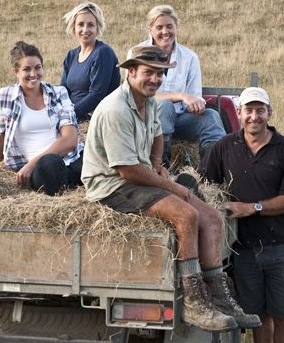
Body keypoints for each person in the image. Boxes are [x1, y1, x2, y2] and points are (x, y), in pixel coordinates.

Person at [81, 45, 261, 333]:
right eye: (148, 73)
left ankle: (220, 300)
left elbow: (157, 135)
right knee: (186, 215)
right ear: (131, 72)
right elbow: (127, 170)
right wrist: (172, 186)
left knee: (212, 219)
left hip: (138, 177)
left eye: (160, 74)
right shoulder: (115, 108)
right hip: (111, 185)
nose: (155, 79)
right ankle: (194, 303)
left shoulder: (149, 101)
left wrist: (156, 163)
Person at [199, 87, 284, 343]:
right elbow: (203, 185)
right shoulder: (224, 146)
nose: (254, 117)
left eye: (260, 110)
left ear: (270, 114)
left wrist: (252, 207)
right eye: (248, 110)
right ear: (239, 113)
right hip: (244, 249)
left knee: (283, 317)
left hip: (281, 247)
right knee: (258, 317)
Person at [129, 5, 226, 167]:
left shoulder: (189, 57)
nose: (165, 32)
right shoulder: (137, 53)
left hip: (178, 122)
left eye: (169, 26)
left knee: (211, 117)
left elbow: (193, 98)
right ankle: (162, 166)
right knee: (164, 105)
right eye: (159, 27)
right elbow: (137, 95)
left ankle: (214, 171)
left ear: (177, 27)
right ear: (150, 29)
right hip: (146, 122)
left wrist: (196, 105)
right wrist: (181, 96)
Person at [0, 41, 84, 196]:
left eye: (37, 67)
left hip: (72, 161)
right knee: (50, 163)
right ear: (16, 72)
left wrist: (31, 164)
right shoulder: (4, 97)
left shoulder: (59, 93)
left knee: (98, 161)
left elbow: (70, 140)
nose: (33, 74)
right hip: (44, 169)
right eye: (26, 69)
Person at [61, 2, 121, 122]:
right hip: (73, 116)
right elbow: (63, 91)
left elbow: (96, 96)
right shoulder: (71, 56)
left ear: (98, 27)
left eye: (90, 25)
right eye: (80, 24)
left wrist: (70, 114)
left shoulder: (103, 53)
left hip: (94, 118)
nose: (85, 30)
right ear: (74, 27)